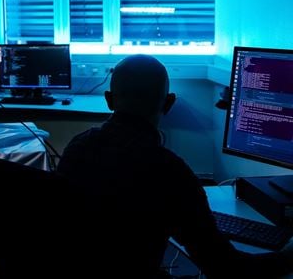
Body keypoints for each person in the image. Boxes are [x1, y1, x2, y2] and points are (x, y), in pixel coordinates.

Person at [56, 54, 293, 278]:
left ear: (109, 100)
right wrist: (287, 256)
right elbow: (227, 269)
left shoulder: (78, 147)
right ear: (169, 103)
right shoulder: (169, 171)